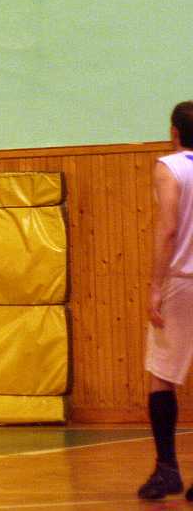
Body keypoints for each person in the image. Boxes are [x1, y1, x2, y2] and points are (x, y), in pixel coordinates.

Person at [139, 101, 193, 500]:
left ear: (174, 131)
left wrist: (155, 285)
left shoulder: (170, 166)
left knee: (162, 375)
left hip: (183, 280)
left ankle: (167, 470)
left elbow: (169, 228)